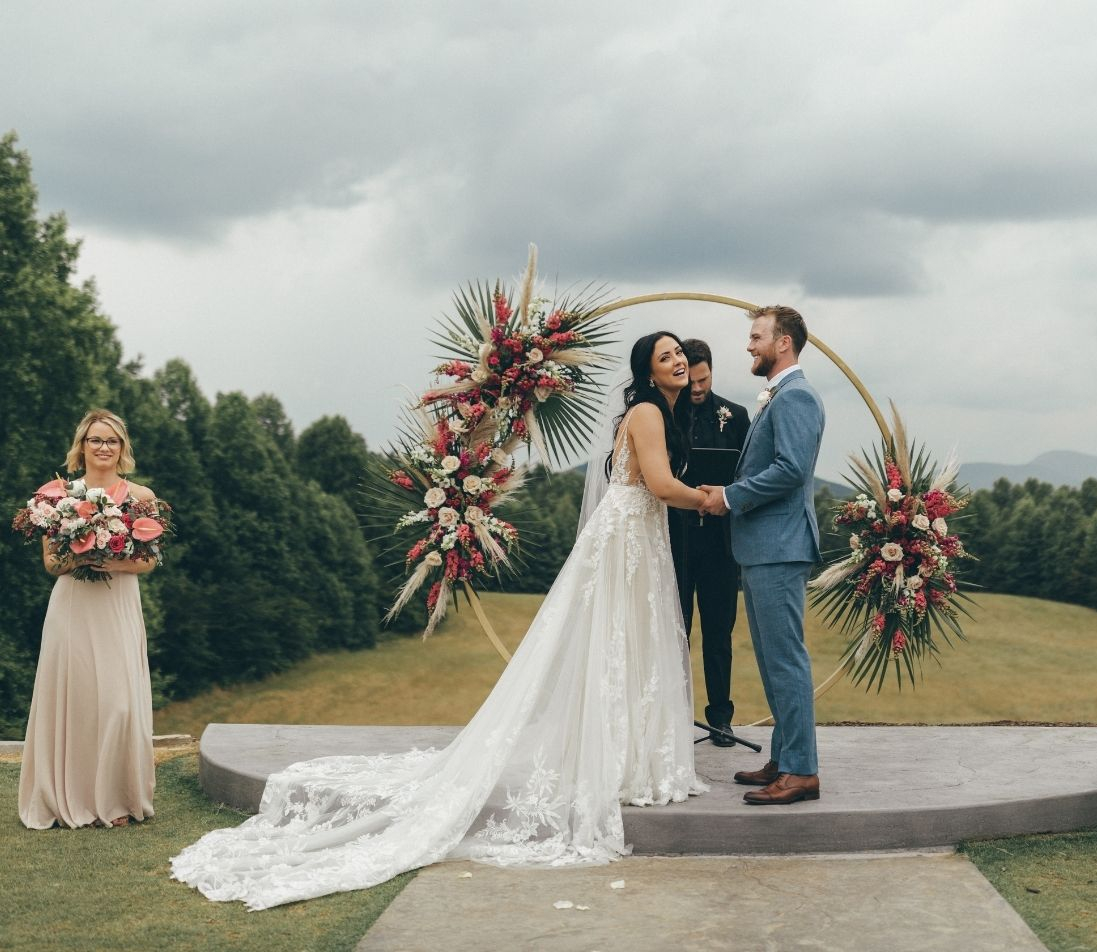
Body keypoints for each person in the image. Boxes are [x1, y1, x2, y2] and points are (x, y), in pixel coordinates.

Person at [171, 331, 710, 910]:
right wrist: (707, 499)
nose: (678, 360)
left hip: (635, 534)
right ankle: (623, 762)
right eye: (666, 356)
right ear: (647, 372)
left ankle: (628, 759)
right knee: (618, 644)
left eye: (680, 353)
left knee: (624, 646)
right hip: (630, 535)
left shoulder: (657, 411)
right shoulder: (651, 412)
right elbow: (656, 485)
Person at [699, 306, 825, 805]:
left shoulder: (796, 398)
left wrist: (730, 497)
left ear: (784, 343)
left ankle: (801, 772)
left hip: (779, 547)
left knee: (786, 660)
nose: (749, 346)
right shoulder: (781, 396)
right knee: (775, 663)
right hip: (763, 548)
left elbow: (792, 470)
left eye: (757, 337)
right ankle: (784, 757)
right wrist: (726, 488)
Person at [20, 409, 160, 830]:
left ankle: (115, 798)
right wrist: (79, 553)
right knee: (77, 699)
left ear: (123, 448)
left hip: (117, 603)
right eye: (95, 439)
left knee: (117, 702)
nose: (103, 447)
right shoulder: (56, 496)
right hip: (74, 605)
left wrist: (114, 563)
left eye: (112, 440)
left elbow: (149, 560)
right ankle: (69, 798)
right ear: (82, 445)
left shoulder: (141, 497)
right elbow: (51, 563)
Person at [667, 338, 750, 744]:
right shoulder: (665, 415)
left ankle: (721, 719)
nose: (696, 389)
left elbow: (750, 475)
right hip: (674, 541)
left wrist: (724, 494)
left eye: (703, 380)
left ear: (711, 371)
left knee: (719, 633)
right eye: (692, 381)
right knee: (673, 630)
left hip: (720, 543)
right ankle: (673, 715)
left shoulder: (735, 415)